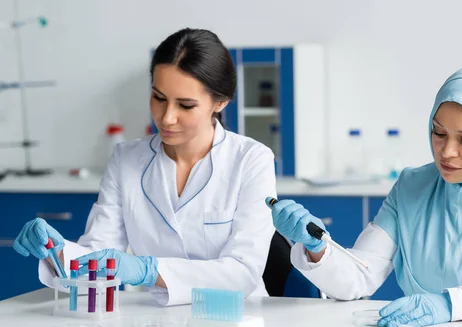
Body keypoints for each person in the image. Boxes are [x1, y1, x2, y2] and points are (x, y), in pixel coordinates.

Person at [268, 64, 462, 327]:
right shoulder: (413, 186)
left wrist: (450, 304)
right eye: (438, 133)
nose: (447, 151)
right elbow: (361, 275)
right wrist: (318, 248)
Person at [13, 28, 276, 306]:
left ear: (220, 102)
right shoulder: (126, 159)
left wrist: (148, 270)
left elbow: (243, 273)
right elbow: (100, 256)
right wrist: (56, 250)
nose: (167, 117)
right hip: (158, 321)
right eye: (159, 98)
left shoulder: (251, 160)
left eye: (185, 105)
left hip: (238, 319)